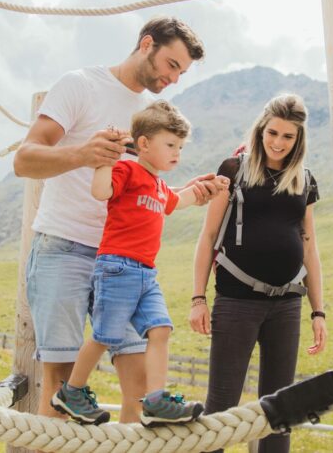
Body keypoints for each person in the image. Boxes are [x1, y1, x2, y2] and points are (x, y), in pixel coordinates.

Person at [14, 16, 222, 423]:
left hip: (126, 262)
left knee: (142, 387)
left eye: (181, 71)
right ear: (147, 44)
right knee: (59, 388)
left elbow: (148, 193)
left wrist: (187, 194)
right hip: (66, 247)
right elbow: (24, 160)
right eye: (172, 65)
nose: (174, 78)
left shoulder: (152, 113)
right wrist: (83, 154)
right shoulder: (80, 85)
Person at [52, 101, 230, 425]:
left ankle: (155, 400)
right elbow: (100, 190)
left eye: (180, 146)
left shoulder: (161, 187)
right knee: (105, 335)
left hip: (147, 274)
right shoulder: (128, 170)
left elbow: (183, 199)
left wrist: (212, 188)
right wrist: (107, 159)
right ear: (144, 144)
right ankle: (72, 392)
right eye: (171, 145)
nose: (177, 152)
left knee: (160, 329)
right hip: (117, 267)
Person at [188, 93, 326, 453]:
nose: (278, 143)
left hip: (287, 305)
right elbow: (207, 237)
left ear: (298, 140)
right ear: (261, 129)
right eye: (273, 133)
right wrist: (198, 298)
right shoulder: (233, 170)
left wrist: (319, 311)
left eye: (287, 137)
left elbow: (309, 247)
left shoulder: (304, 180)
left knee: (281, 411)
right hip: (237, 302)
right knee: (221, 405)